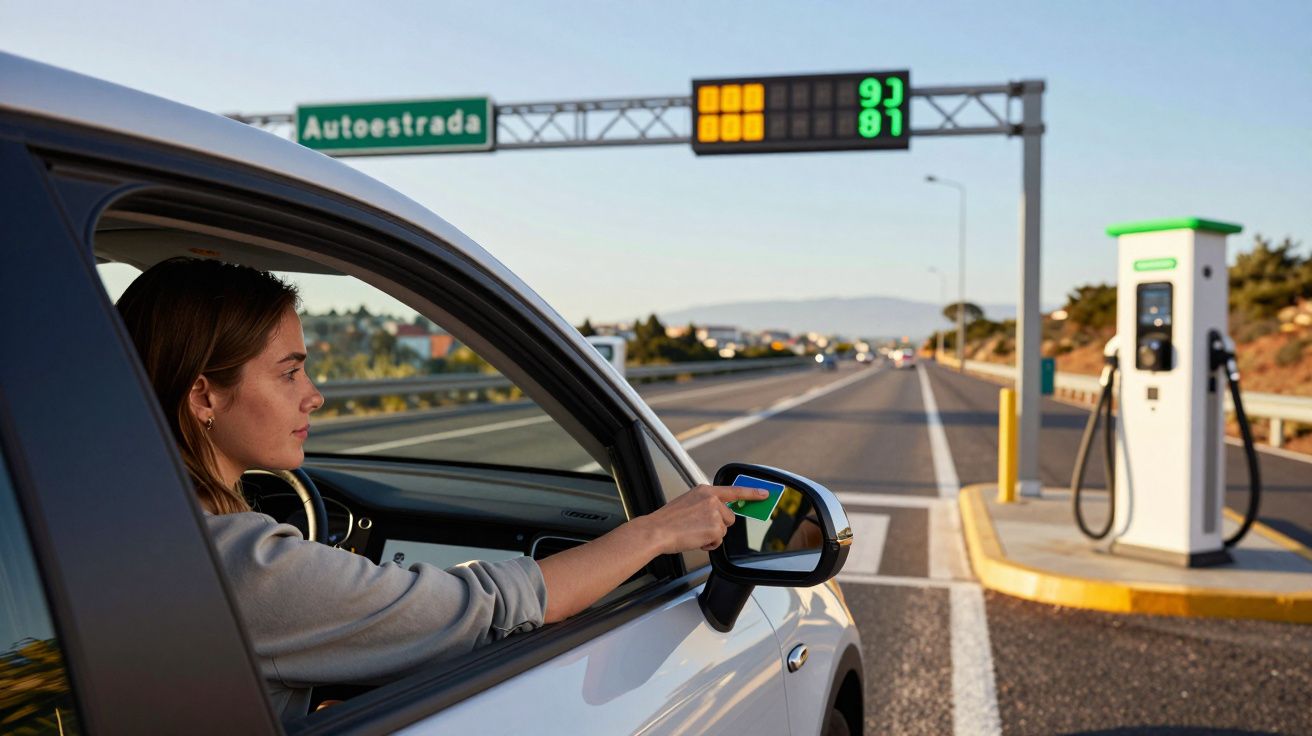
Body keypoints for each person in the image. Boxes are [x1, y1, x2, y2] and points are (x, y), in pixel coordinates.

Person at [115, 257, 768, 719]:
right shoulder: (240, 563)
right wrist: (656, 531)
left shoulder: (122, 529)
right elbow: (482, 607)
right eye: (289, 373)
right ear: (204, 395)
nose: (314, 395)